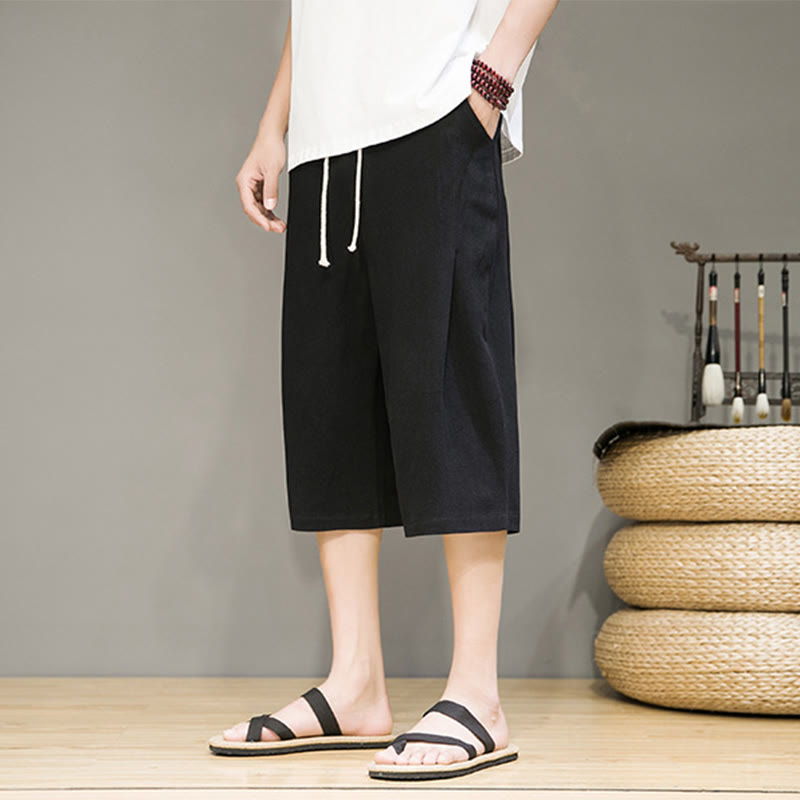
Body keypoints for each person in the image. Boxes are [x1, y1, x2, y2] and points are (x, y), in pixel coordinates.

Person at [209, 0, 560, 782]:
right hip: (325, 140)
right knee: (330, 400)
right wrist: (275, 125)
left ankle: (478, 693)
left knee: (455, 389)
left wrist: (493, 81)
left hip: (436, 109)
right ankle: (356, 682)